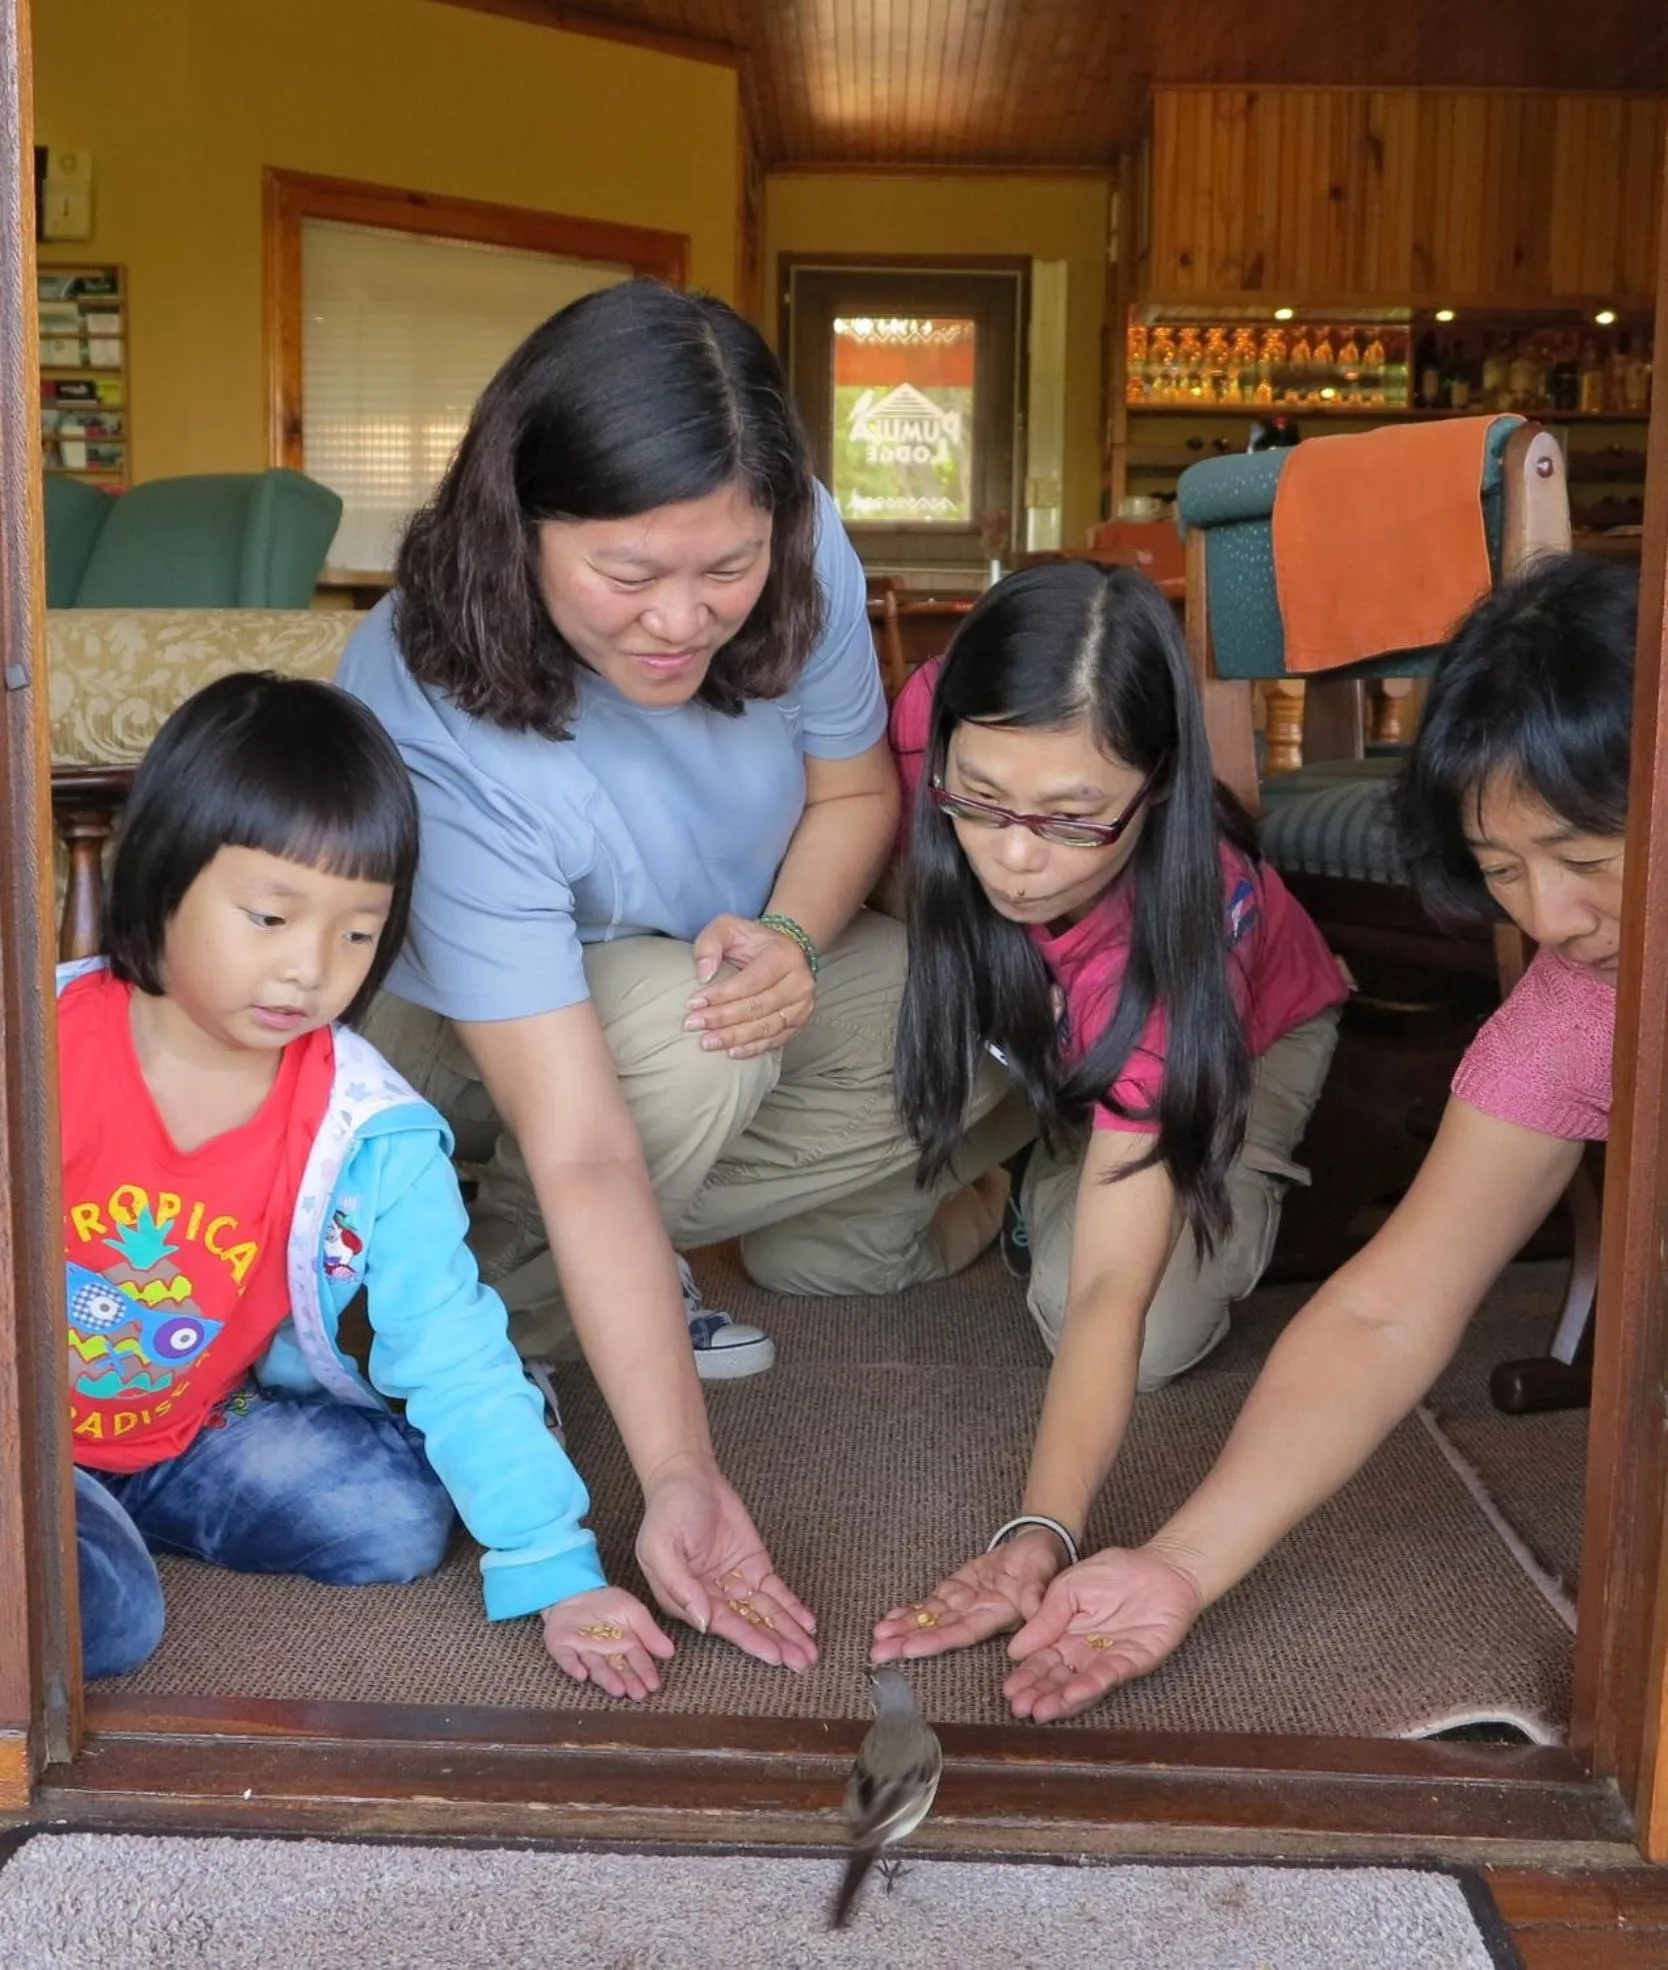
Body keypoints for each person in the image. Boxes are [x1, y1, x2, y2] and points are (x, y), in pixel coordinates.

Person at [337, 281, 1022, 1671]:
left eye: (728, 569)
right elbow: (583, 1141)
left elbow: (850, 798)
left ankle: (574, 1277)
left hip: (715, 973)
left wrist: (793, 936)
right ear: (515, 524)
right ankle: (468, 1323)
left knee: (992, 1013)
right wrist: (682, 1477)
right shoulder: (427, 690)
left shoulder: (790, 540)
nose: (684, 619)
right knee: (693, 1034)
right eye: (629, 575)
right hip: (476, 1039)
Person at [973, 552, 1633, 1724]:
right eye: (1502, 872)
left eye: (1584, 862)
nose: (1547, 917)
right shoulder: (1573, 1011)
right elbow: (1388, 1306)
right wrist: (1180, 1561)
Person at [68, 673, 723, 1700]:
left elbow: (452, 1343)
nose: (310, 969)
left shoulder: (369, 1127)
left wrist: (554, 1565)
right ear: (162, 875)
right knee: (110, 1614)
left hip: (185, 1428)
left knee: (395, 1514)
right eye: (270, 916)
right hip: (25, 1432)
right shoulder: (45, 1047)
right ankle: (78, 1524)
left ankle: (107, 1513)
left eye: (358, 931)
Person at [869, 561, 1348, 1679]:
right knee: (821, 1258)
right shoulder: (925, 717)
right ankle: (1039, 1161)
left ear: (1161, 786)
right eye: (977, 798)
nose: (1016, 855)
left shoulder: (1185, 957)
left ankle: (1090, 1164)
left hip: (1243, 1035)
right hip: (1036, 1011)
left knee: (1145, 1336)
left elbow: (1109, 1292)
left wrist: (1038, 1532)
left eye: (1073, 818)